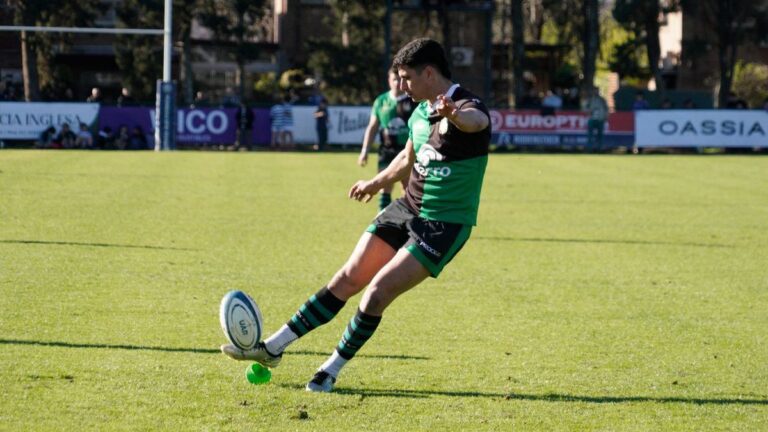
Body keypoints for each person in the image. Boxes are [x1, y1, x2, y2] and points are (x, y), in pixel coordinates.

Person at [220, 38, 491, 393]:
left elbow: (477, 122)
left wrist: (454, 113)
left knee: (376, 293)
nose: (402, 85)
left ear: (429, 73)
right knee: (347, 277)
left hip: (444, 224)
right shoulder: (420, 110)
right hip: (406, 207)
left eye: (407, 77)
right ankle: (272, 348)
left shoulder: (468, 105)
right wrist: (376, 183)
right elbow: (407, 158)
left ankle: (330, 369)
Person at [358, 68, 416, 211]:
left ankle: (409, 219)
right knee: (384, 186)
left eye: (400, 79)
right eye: (394, 79)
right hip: (386, 150)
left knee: (408, 188)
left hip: (406, 151)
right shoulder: (381, 101)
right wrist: (365, 150)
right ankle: (382, 220)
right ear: (389, 81)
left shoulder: (413, 100)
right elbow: (372, 127)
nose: (397, 83)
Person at [584, 86, 608, 152]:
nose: (596, 92)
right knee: (590, 135)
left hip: (600, 119)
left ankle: (599, 148)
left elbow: (606, 109)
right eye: (594, 90)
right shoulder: (590, 99)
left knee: (600, 135)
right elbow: (585, 108)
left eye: (597, 90)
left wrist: (605, 116)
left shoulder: (602, 100)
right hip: (592, 119)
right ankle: (590, 148)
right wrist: (589, 111)